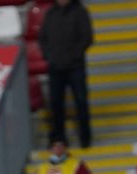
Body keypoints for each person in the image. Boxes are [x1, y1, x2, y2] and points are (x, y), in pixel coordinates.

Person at [38, 0, 93, 149]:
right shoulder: (50, 14)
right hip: (55, 68)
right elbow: (42, 38)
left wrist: (73, 56)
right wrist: (49, 56)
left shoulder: (80, 12)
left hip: (75, 67)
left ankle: (85, 138)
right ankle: (59, 139)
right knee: (56, 104)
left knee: (81, 101)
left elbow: (87, 37)